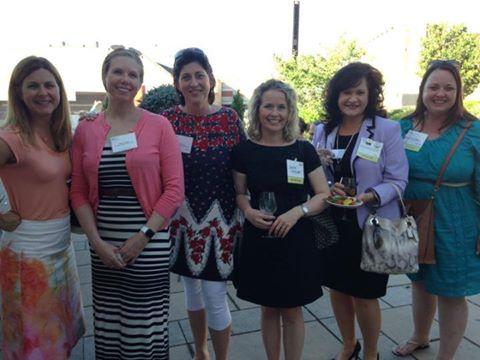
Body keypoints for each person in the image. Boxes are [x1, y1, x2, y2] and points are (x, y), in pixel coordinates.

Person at [70, 47, 184, 360]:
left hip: (148, 240)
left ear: (140, 82)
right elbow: (78, 190)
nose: (125, 79)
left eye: (133, 74)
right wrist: (96, 243)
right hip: (103, 241)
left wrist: (142, 237)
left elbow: (174, 190)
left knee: (142, 327)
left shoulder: (159, 126)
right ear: (105, 77)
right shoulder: (87, 128)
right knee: (108, 323)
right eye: (118, 71)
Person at [313, 62, 408, 360]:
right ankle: (348, 344)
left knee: (366, 296)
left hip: (371, 225)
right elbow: (314, 173)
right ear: (336, 96)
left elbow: (398, 181)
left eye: (359, 92)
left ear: (371, 95)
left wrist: (369, 196)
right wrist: (328, 187)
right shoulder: (323, 130)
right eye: (346, 92)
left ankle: (370, 353)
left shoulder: (386, 129)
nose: (352, 98)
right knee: (338, 290)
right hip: (332, 225)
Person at [232, 79, 330, 360]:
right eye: (268, 106)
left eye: (281, 107)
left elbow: (322, 195)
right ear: (258, 109)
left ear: (289, 112)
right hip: (260, 238)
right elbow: (240, 194)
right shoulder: (244, 151)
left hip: (296, 239)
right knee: (267, 308)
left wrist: (297, 212)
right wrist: (249, 212)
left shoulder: (303, 150)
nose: (274, 113)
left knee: (292, 309)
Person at [161, 47, 245, 360]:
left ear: (210, 79)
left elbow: (245, 166)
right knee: (191, 291)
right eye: (186, 77)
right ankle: (200, 351)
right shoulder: (166, 121)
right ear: (177, 83)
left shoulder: (229, 119)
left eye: (199, 75)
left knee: (214, 296)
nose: (194, 82)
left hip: (220, 223)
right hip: (179, 222)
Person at [392, 60, 480, 359]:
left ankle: (446, 356)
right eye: (433, 86)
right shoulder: (403, 126)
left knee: (451, 290)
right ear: (422, 90)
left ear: (458, 92)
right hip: (412, 216)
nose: (440, 93)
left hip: (455, 220)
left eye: (448, 87)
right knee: (420, 281)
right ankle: (420, 336)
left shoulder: (473, 130)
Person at [0, 56, 85, 359]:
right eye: (33, 85)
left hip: (60, 250)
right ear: (18, 92)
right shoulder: (10, 137)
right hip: (28, 255)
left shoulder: (59, 134)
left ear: (59, 91)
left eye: (49, 85)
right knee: (35, 343)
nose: (43, 92)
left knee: (57, 336)